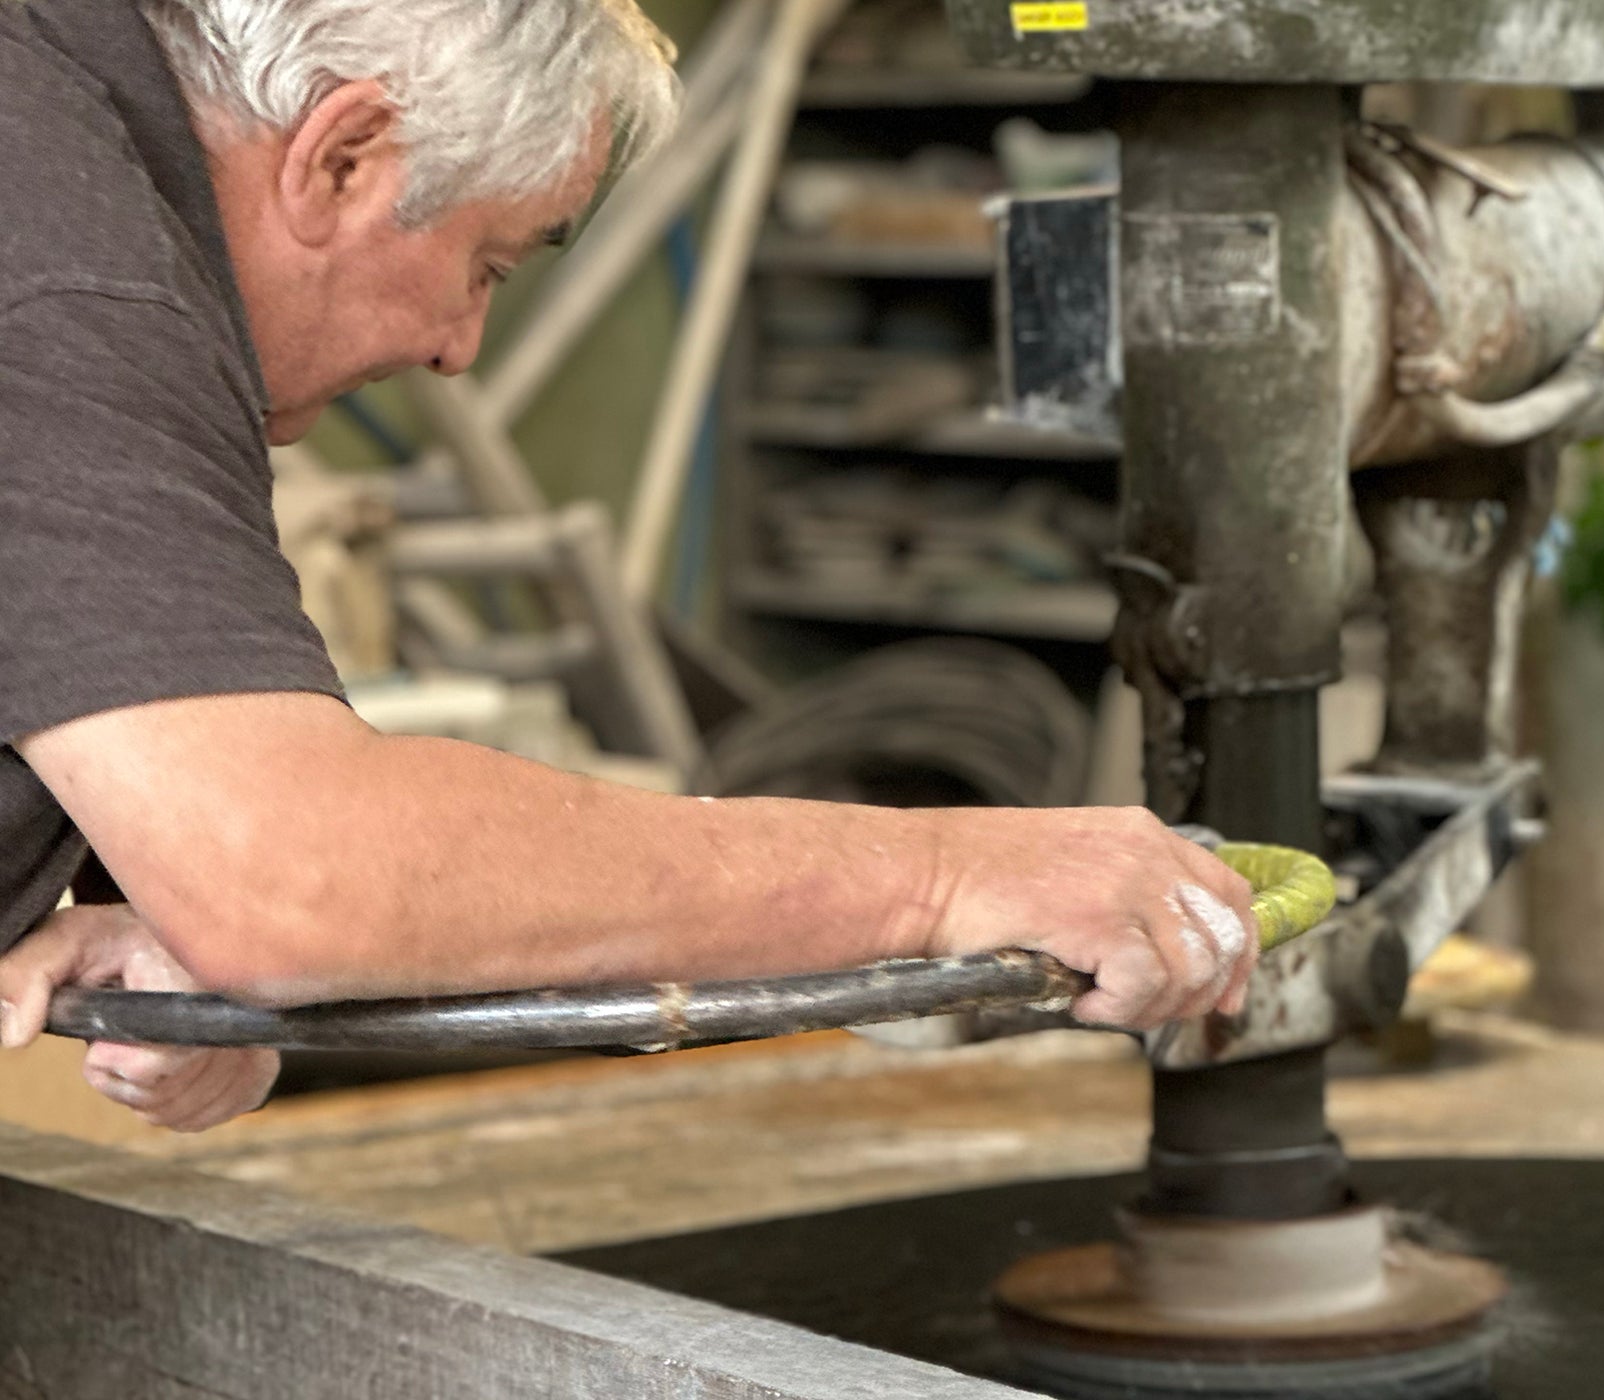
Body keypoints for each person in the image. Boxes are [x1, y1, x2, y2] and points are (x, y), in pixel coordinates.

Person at [0, 0, 1258, 1133]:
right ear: (341, 156)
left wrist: (164, 909)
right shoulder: (69, 267)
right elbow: (289, 872)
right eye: (487, 265)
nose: (459, 350)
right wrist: (945, 875)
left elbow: (239, 871)